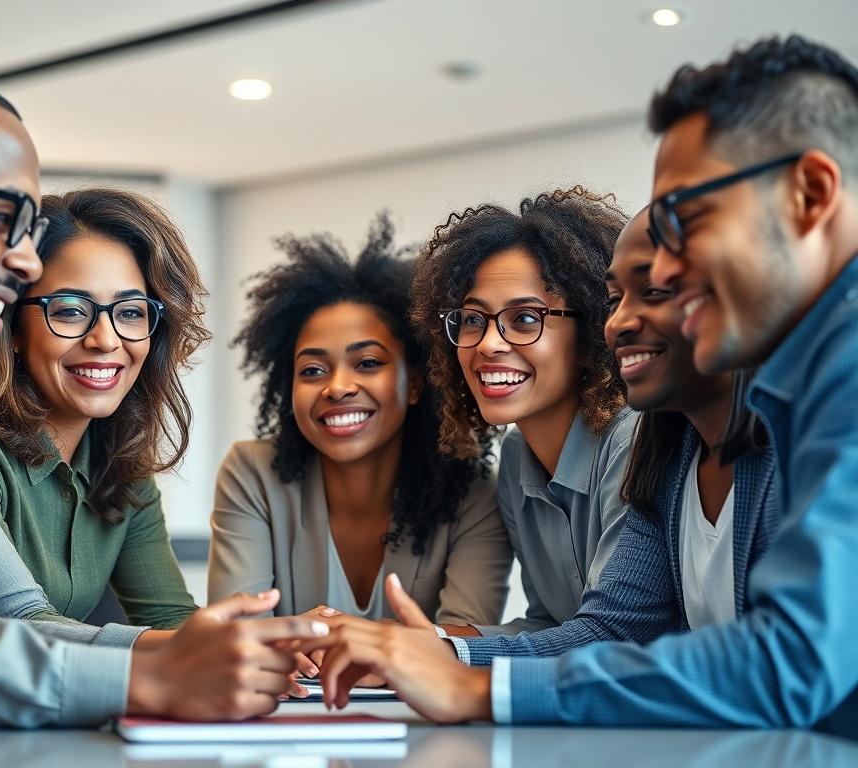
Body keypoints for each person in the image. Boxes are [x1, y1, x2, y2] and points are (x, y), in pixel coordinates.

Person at [312, 35, 858, 733]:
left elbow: (790, 662)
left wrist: (476, 687)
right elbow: (616, 628)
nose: (668, 272)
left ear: (811, 193)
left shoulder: (835, 371)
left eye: (687, 220)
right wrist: (447, 656)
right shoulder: (680, 438)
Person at [0, 52, 326, 737]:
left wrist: (206, 653)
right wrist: (154, 676)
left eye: (130, 313)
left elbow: (17, 617)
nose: (23, 261)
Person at [209, 214, 511, 638]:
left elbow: (463, 647)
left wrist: (328, 637)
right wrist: (396, 643)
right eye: (312, 370)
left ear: (415, 383)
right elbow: (236, 637)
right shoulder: (252, 474)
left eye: (368, 363)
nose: (337, 387)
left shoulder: (473, 494)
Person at [0, 188, 203, 630]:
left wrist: (276, 646)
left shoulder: (119, 455)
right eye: (69, 311)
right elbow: (15, 627)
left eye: (131, 312)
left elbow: (170, 618)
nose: (106, 340)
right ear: (11, 327)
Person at [408, 187, 636, 636]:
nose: (488, 343)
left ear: (593, 333)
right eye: (473, 319)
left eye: (526, 319)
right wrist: (418, 641)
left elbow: (610, 637)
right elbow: (549, 623)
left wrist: (439, 648)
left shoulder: (633, 441)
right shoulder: (516, 458)